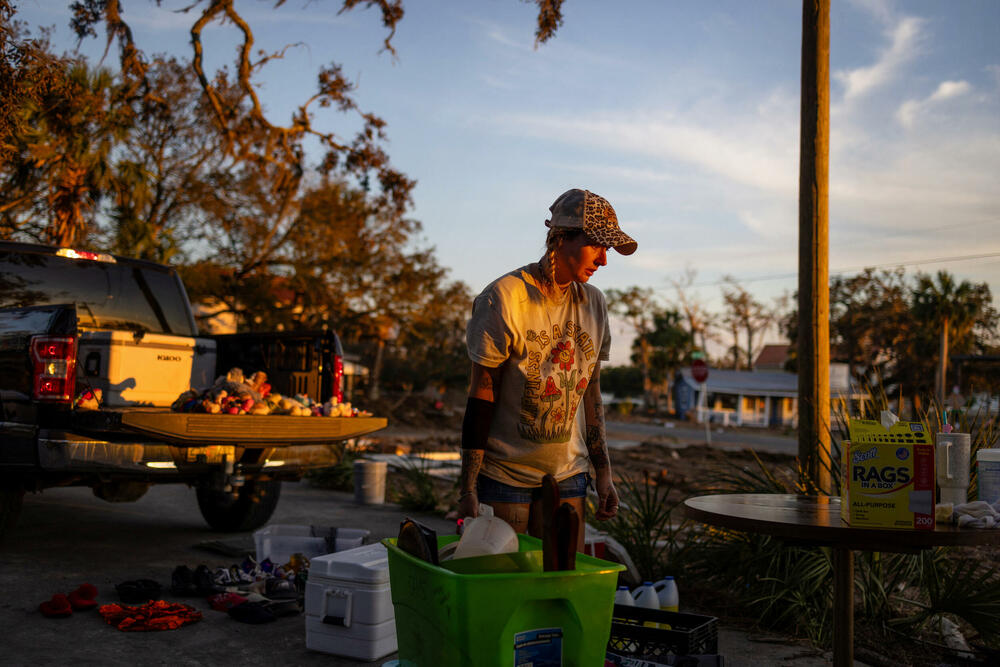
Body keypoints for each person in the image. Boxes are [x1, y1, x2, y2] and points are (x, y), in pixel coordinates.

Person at [458, 188, 637, 551]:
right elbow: (481, 394)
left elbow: (591, 393)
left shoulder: (594, 304)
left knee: (559, 582)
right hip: (505, 473)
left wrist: (603, 473)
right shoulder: (505, 298)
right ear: (560, 238)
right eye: (597, 246)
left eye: (609, 249)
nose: (604, 260)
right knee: (509, 582)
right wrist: (468, 488)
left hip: (570, 474)